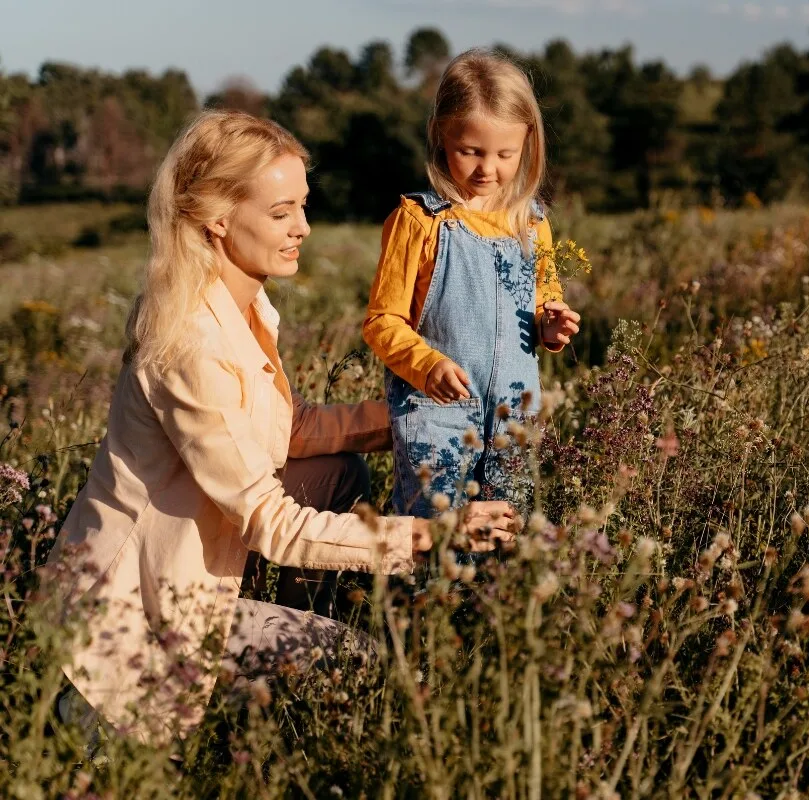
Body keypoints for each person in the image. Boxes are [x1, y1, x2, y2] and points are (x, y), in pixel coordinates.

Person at [44, 109, 517, 746]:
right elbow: (271, 523)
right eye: (280, 213)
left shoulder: (238, 303)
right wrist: (437, 533)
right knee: (358, 664)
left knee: (337, 471)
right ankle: (259, 726)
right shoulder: (189, 340)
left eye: (303, 205)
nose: (304, 228)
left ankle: (282, 637)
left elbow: (282, 431)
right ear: (216, 218)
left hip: (184, 576)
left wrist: (408, 419)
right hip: (125, 632)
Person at [363, 48, 581, 523]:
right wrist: (427, 364)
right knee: (435, 540)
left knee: (507, 536)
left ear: (529, 144)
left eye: (506, 154)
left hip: (514, 416)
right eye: (471, 152)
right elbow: (382, 322)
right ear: (442, 136)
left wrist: (551, 325)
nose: (488, 169)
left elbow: (543, 304)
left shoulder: (533, 224)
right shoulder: (419, 221)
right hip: (437, 412)